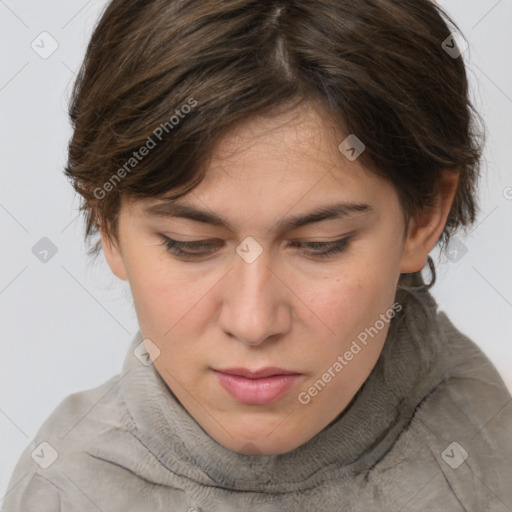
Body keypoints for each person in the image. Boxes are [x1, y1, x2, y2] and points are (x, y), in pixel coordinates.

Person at [3, 0, 511, 511]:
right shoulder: (62, 491)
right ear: (104, 223)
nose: (253, 322)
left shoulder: (486, 464)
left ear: (424, 215)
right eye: (190, 244)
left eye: (320, 244)